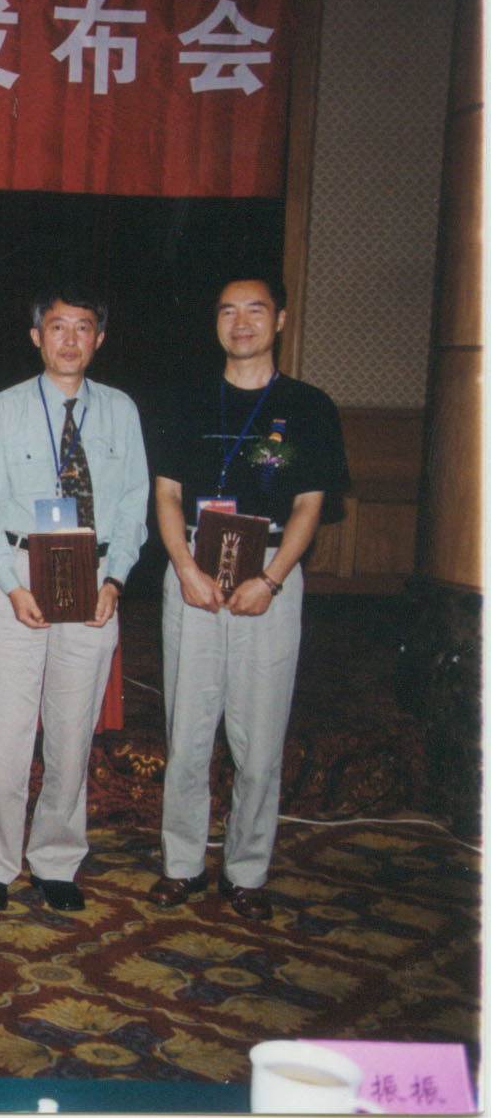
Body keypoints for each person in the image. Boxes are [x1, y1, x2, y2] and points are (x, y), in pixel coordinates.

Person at [148, 276, 349, 921]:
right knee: (187, 731)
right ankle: (182, 864)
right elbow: (166, 495)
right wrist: (184, 568)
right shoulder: (185, 400)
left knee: (259, 740)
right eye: (228, 310)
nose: (241, 323)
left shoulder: (310, 407)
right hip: (193, 572)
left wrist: (272, 579)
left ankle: (246, 870)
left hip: (269, 573)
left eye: (255, 310)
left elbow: (310, 505)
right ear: (215, 322)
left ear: (280, 320)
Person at [0, 287, 148, 913]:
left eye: (83, 327)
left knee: (72, 732)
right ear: (36, 336)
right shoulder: (3, 409)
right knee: (7, 733)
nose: (70, 339)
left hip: (94, 580)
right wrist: (12, 585)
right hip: (18, 575)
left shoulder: (121, 410)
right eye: (57, 326)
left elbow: (134, 504)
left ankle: (56, 859)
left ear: (100, 338)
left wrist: (115, 580)